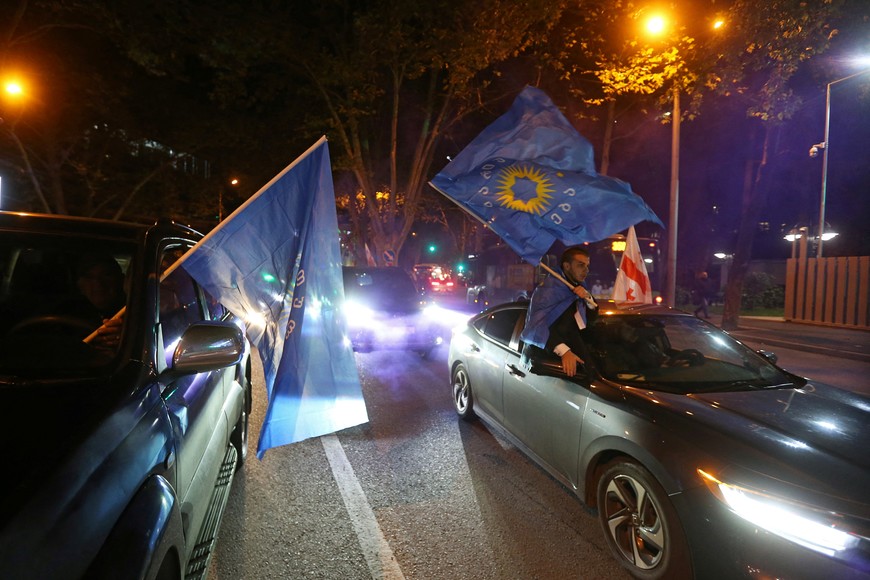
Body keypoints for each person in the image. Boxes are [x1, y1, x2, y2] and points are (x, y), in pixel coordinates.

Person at [520, 246, 599, 377]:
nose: (586, 270)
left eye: (587, 265)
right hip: (546, 360)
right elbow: (536, 326)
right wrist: (564, 351)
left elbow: (590, 321)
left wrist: (587, 298)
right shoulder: (548, 290)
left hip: (576, 355)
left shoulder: (578, 287)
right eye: (580, 265)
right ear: (567, 266)